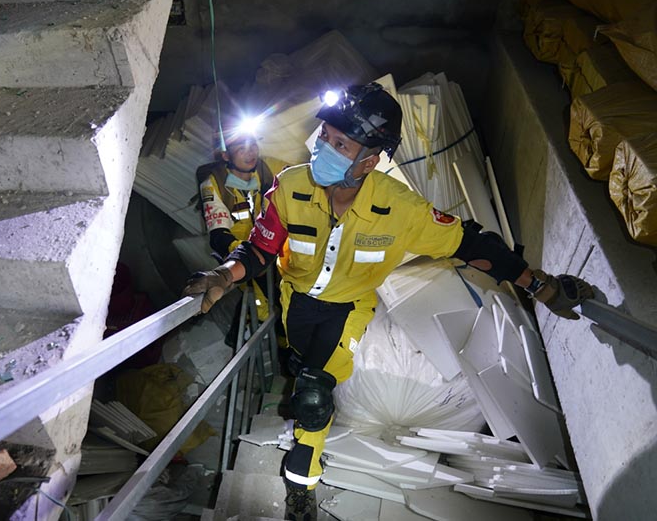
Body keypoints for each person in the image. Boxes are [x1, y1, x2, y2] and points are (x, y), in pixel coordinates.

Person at [184, 83, 593, 521]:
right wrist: (224, 275)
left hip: (347, 310)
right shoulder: (289, 187)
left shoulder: (400, 209)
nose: (324, 147)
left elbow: (471, 243)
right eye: (325, 136)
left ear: (369, 160)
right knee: (300, 369)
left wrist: (538, 285)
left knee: (314, 395)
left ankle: (301, 486)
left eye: (340, 144)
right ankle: (303, 394)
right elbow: (260, 249)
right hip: (295, 303)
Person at [196, 121, 285, 324]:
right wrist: (249, 254)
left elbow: (297, 175)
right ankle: (256, 334)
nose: (250, 152)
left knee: (283, 297)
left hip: (270, 247)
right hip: (241, 252)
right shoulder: (214, 183)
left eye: (253, 145)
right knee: (263, 304)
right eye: (241, 149)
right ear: (226, 156)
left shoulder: (265, 168)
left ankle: (279, 338)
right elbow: (218, 236)